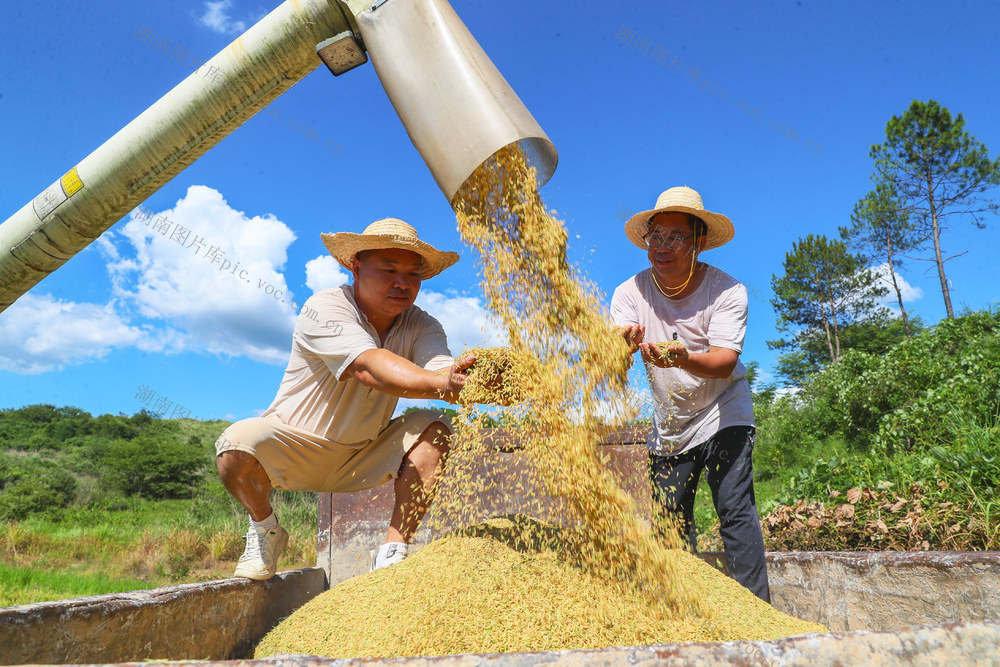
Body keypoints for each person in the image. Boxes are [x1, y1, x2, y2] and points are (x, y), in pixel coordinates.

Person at [215, 218, 476, 580]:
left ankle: (392, 552)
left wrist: (472, 379)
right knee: (236, 445)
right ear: (356, 267)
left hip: (362, 454)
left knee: (436, 427)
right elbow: (368, 367)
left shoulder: (423, 324)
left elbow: (439, 368)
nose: (402, 283)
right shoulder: (325, 308)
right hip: (296, 447)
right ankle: (265, 528)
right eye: (388, 270)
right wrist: (445, 383)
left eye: (413, 274)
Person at [609, 186, 769, 602]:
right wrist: (620, 347)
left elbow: (724, 361)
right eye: (656, 236)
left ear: (698, 241)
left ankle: (759, 611)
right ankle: (679, 610)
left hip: (722, 410)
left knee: (734, 509)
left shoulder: (726, 291)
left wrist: (683, 358)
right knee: (669, 523)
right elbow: (613, 356)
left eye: (675, 237)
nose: (662, 247)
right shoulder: (629, 293)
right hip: (670, 424)